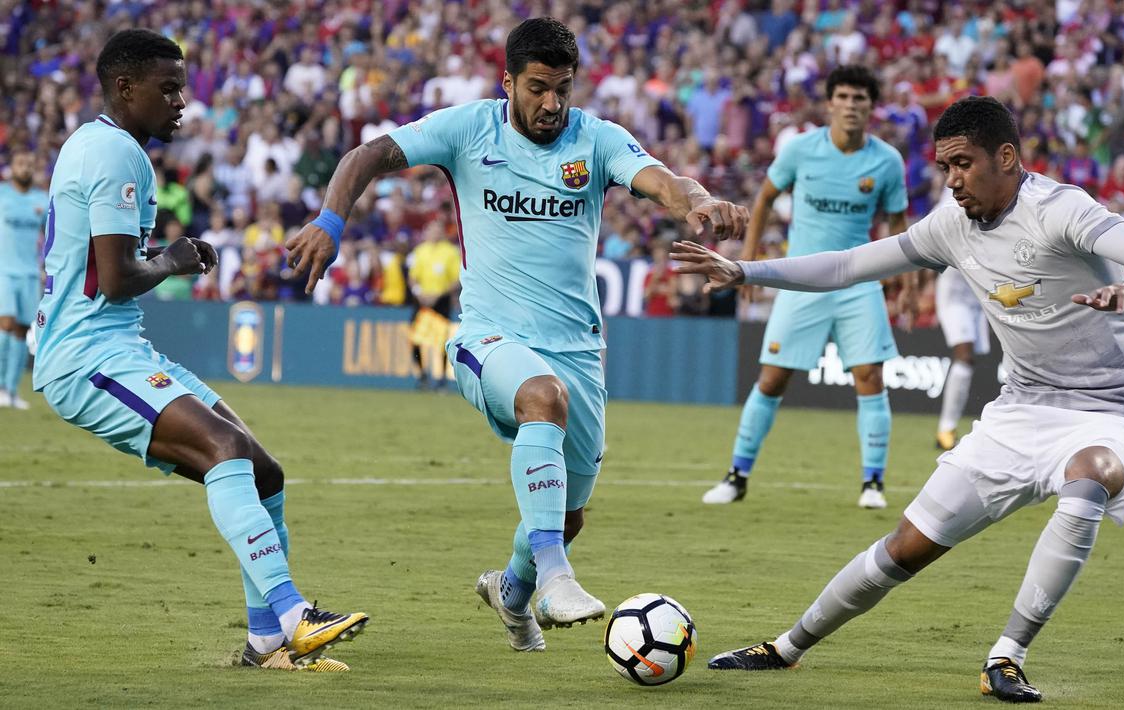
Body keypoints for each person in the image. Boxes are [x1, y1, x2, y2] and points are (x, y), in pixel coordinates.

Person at [671, 97, 1124, 703]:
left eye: (963, 164)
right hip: (1019, 412)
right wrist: (745, 272)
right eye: (945, 168)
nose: (953, 180)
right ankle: (786, 647)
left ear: (1006, 157)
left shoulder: (1058, 208)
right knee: (904, 549)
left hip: (1111, 413)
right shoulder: (950, 225)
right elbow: (849, 265)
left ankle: (1007, 656)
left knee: (1090, 473)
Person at [285, 17, 748, 654]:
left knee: (568, 512)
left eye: (563, 88)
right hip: (487, 338)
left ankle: (511, 590)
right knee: (541, 397)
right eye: (537, 88)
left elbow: (664, 182)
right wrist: (330, 223)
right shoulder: (467, 130)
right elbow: (365, 156)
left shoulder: (597, 140)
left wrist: (697, 201)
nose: (552, 104)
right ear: (508, 82)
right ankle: (556, 579)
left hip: (577, 349)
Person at [33, 29, 366, 673]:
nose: (181, 101)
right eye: (168, 88)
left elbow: (111, 270)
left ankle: (265, 640)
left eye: (181, 88)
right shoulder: (113, 153)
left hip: (117, 346)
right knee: (223, 448)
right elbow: (116, 277)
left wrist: (167, 257)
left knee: (264, 474)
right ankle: (293, 615)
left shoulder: (105, 145)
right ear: (125, 87)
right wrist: (174, 261)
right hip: (85, 355)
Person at [701, 65, 910, 510]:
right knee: (773, 378)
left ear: (871, 107)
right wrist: (748, 263)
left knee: (870, 377)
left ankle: (873, 483)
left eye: (860, 98)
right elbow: (764, 198)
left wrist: (906, 281)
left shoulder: (887, 161)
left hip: (859, 280)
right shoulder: (799, 149)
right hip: (801, 280)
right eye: (844, 97)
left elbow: (897, 224)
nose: (851, 105)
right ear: (830, 103)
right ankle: (736, 476)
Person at [932, 192, 993, 450]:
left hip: (981, 296)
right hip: (954, 294)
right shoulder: (952, 197)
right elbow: (927, 232)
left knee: (974, 361)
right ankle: (945, 430)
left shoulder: (1002, 197)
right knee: (964, 356)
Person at [0, 150, 49, 409]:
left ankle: (11, 390)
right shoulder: (2, 194)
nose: (25, 168)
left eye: (29, 164)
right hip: (4, 271)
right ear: (12, 167)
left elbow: (52, 236)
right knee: (5, 324)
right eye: (21, 163)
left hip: (30, 273)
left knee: (21, 329)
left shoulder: (41, 199)